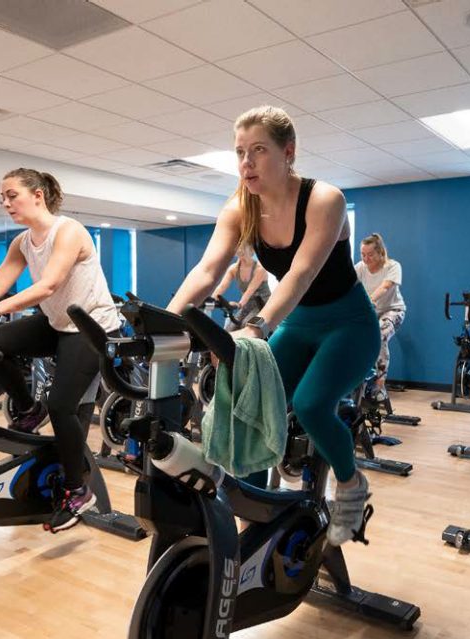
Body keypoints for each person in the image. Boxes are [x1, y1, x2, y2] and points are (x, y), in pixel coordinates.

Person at [167, 106, 380, 546]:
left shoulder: (325, 200)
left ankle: (350, 482)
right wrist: (164, 323)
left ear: (289, 152)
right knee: (247, 394)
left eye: (258, 150)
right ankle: (253, 501)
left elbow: (300, 273)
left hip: (350, 324)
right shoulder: (240, 207)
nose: (246, 163)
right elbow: (208, 270)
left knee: (311, 404)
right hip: (300, 324)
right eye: (240, 152)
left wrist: (258, 327)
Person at [0, 168, 119, 532]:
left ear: (38, 195)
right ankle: (27, 407)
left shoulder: (69, 231)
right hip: (56, 323)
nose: (5, 202)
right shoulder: (22, 242)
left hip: (90, 326)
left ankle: (77, 489)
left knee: (63, 405)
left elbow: (49, 284)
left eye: (11, 194)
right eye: (1, 197)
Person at [353, 233, 406, 399]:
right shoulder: (360, 267)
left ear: (380, 252)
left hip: (393, 310)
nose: (366, 258)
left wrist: (368, 301)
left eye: (370, 254)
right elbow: (346, 287)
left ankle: (380, 386)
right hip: (371, 312)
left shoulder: (392, 266)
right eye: (363, 254)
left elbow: (385, 287)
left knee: (380, 335)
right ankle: (356, 381)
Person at [212, 244, 271, 330]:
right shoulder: (233, 269)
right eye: (239, 251)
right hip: (247, 305)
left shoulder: (260, 269)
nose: (240, 252)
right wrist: (211, 300)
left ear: (251, 251)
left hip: (263, 304)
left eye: (243, 251)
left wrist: (238, 305)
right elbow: (221, 287)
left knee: (246, 325)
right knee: (229, 329)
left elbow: (249, 291)